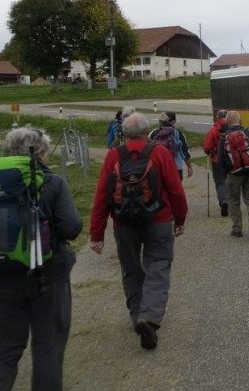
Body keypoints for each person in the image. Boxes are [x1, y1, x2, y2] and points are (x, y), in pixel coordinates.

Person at [89, 112, 188, 350]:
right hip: (159, 220)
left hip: (124, 224)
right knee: (159, 266)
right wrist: (180, 219)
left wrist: (97, 234)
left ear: (124, 133)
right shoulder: (160, 153)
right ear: (147, 131)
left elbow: (102, 195)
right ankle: (150, 318)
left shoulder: (114, 155)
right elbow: (176, 191)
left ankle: (137, 317)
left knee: (131, 270)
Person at [0, 127, 82, 390]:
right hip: (48, 275)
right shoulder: (52, 182)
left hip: (3, 275)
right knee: (48, 346)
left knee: (6, 349)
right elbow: (71, 227)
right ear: (39, 153)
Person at [218, 110, 249, 238]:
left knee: (233, 201)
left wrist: (226, 173)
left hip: (233, 174)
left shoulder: (224, 137)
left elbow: (221, 161)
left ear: (227, 122)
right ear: (240, 120)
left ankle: (237, 229)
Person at [149, 111, 193, 181]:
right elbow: (184, 151)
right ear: (174, 121)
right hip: (175, 167)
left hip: (158, 167)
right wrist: (189, 167)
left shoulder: (154, 133)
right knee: (176, 190)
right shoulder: (178, 133)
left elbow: (148, 150)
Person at [201, 109, 229, 217]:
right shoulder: (231, 128)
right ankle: (229, 201)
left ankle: (223, 201)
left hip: (217, 160)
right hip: (230, 160)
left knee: (219, 182)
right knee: (228, 181)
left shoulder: (214, 130)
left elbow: (207, 146)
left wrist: (209, 152)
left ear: (218, 117)